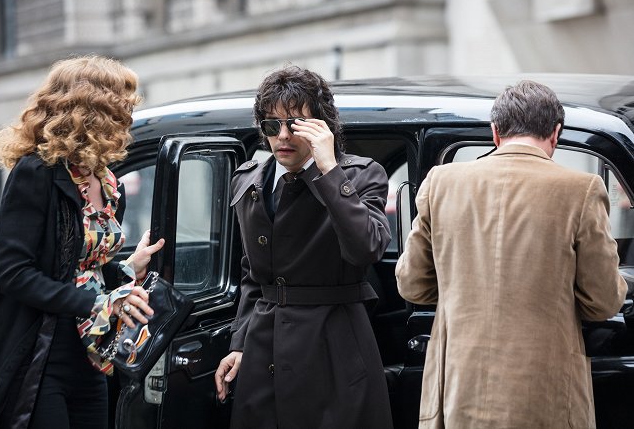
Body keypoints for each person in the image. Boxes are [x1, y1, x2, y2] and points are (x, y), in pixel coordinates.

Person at [395, 80, 629, 428]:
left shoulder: (440, 183)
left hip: (458, 393)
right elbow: (604, 300)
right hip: (545, 397)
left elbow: (413, 285)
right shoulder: (581, 189)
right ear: (556, 133)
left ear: (495, 132)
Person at [0, 55, 164, 429]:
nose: (128, 112)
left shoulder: (108, 182)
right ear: (89, 109)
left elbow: (83, 267)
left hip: (91, 353)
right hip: (39, 356)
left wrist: (128, 268)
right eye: (120, 103)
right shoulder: (36, 173)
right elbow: (15, 273)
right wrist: (99, 301)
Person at [214, 66, 394, 429]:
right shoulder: (248, 179)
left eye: (295, 125)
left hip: (334, 347)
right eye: (271, 126)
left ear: (320, 126)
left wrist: (328, 170)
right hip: (265, 347)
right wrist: (240, 342)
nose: (282, 136)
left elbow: (366, 249)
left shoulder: (360, 175)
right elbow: (253, 275)